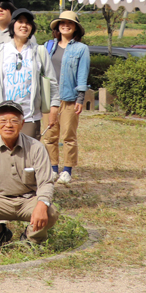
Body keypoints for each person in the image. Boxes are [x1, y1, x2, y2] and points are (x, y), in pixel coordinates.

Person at [0, 100, 59, 245]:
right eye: (3, 121)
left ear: (22, 123)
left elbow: (46, 182)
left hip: (28, 200)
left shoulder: (36, 147)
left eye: (14, 121)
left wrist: (42, 204)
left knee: (50, 213)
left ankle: (30, 239)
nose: (8, 125)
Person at [0, 8, 59, 140]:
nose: (24, 25)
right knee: (3, 156)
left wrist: (54, 107)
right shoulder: (0, 51)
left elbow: (52, 82)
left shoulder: (39, 51)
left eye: (28, 23)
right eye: (20, 21)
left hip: (29, 116)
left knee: (28, 156)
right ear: (12, 25)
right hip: (2, 115)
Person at [42, 11, 89, 184]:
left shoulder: (81, 49)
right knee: (50, 135)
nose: (65, 25)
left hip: (69, 97)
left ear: (75, 27)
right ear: (57, 27)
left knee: (69, 136)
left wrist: (80, 98)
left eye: (70, 23)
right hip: (49, 98)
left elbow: (82, 74)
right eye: (62, 22)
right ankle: (53, 168)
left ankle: (67, 170)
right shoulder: (48, 46)